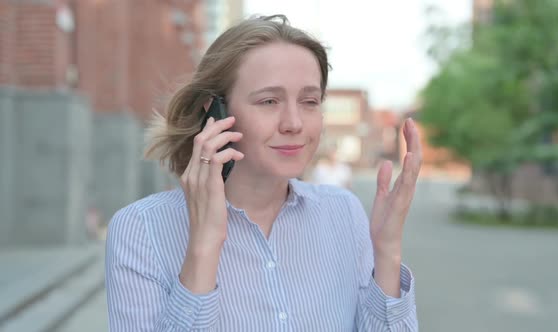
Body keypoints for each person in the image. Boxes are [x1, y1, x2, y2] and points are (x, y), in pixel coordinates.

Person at [105, 15, 422, 331]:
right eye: (269, 101)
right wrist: (203, 246)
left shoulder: (344, 212)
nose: (294, 123)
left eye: (310, 101)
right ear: (214, 110)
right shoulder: (141, 230)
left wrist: (388, 252)